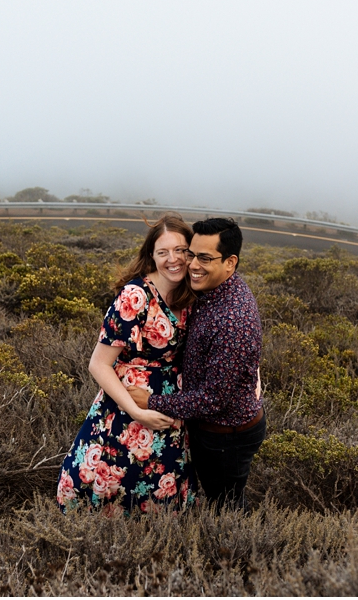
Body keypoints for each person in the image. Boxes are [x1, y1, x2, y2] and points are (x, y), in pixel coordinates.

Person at [56, 213, 197, 514]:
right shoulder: (137, 296)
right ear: (152, 256)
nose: (173, 260)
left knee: (161, 497)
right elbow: (98, 364)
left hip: (172, 410)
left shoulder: (192, 293)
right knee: (118, 487)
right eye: (163, 252)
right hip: (126, 409)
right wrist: (136, 412)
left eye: (180, 251)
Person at [127, 217, 265, 510]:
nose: (192, 264)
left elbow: (212, 400)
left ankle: (237, 552)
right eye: (191, 254)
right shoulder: (213, 291)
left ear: (230, 262)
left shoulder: (231, 319)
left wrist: (151, 402)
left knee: (226, 507)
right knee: (223, 500)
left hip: (226, 436)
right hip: (218, 430)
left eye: (205, 258)